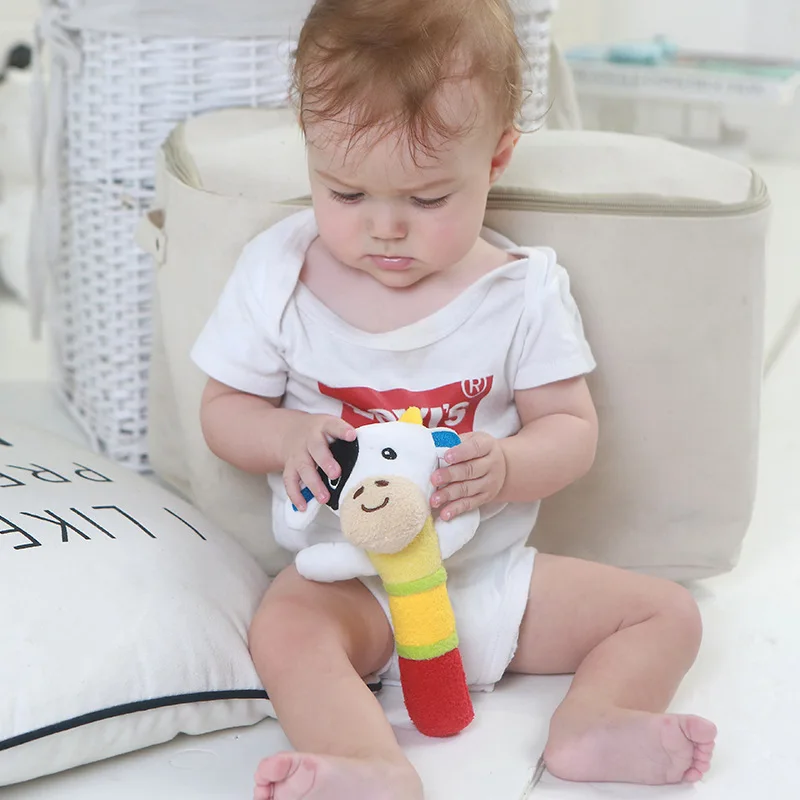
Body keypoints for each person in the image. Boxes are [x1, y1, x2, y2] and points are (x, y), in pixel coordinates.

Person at [192, 1, 717, 797]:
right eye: (345, 193)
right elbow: (223, 409)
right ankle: (368, 762)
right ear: (309, 148)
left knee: (667, 613)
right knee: (284, 629)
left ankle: (595, 722)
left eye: (428, 199)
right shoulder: (279, 275)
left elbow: (570, 428)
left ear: (497, 157)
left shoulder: (520, 292)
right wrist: (285, 436)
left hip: (492, 579)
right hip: (349, 580)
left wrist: (507, 465)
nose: (385, 228)